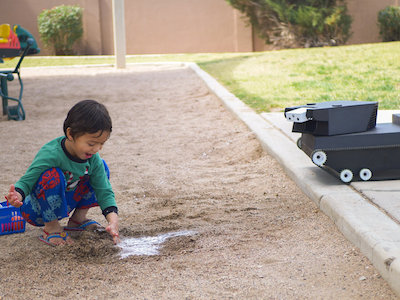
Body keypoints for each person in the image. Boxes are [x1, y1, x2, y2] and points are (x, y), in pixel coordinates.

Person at [5, 100, 120, 246]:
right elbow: (28, 180)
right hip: (37, 210)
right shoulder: (51, 153)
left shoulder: (92, 158)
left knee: (101, 168)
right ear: (70, 134)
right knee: (52, 176)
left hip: (67, 201)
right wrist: (17, 195)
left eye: (101, 144)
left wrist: (113, 220)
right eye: (91, 144)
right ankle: (51, 228)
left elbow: (104, 190)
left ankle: (77, 220)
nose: (96, 149)